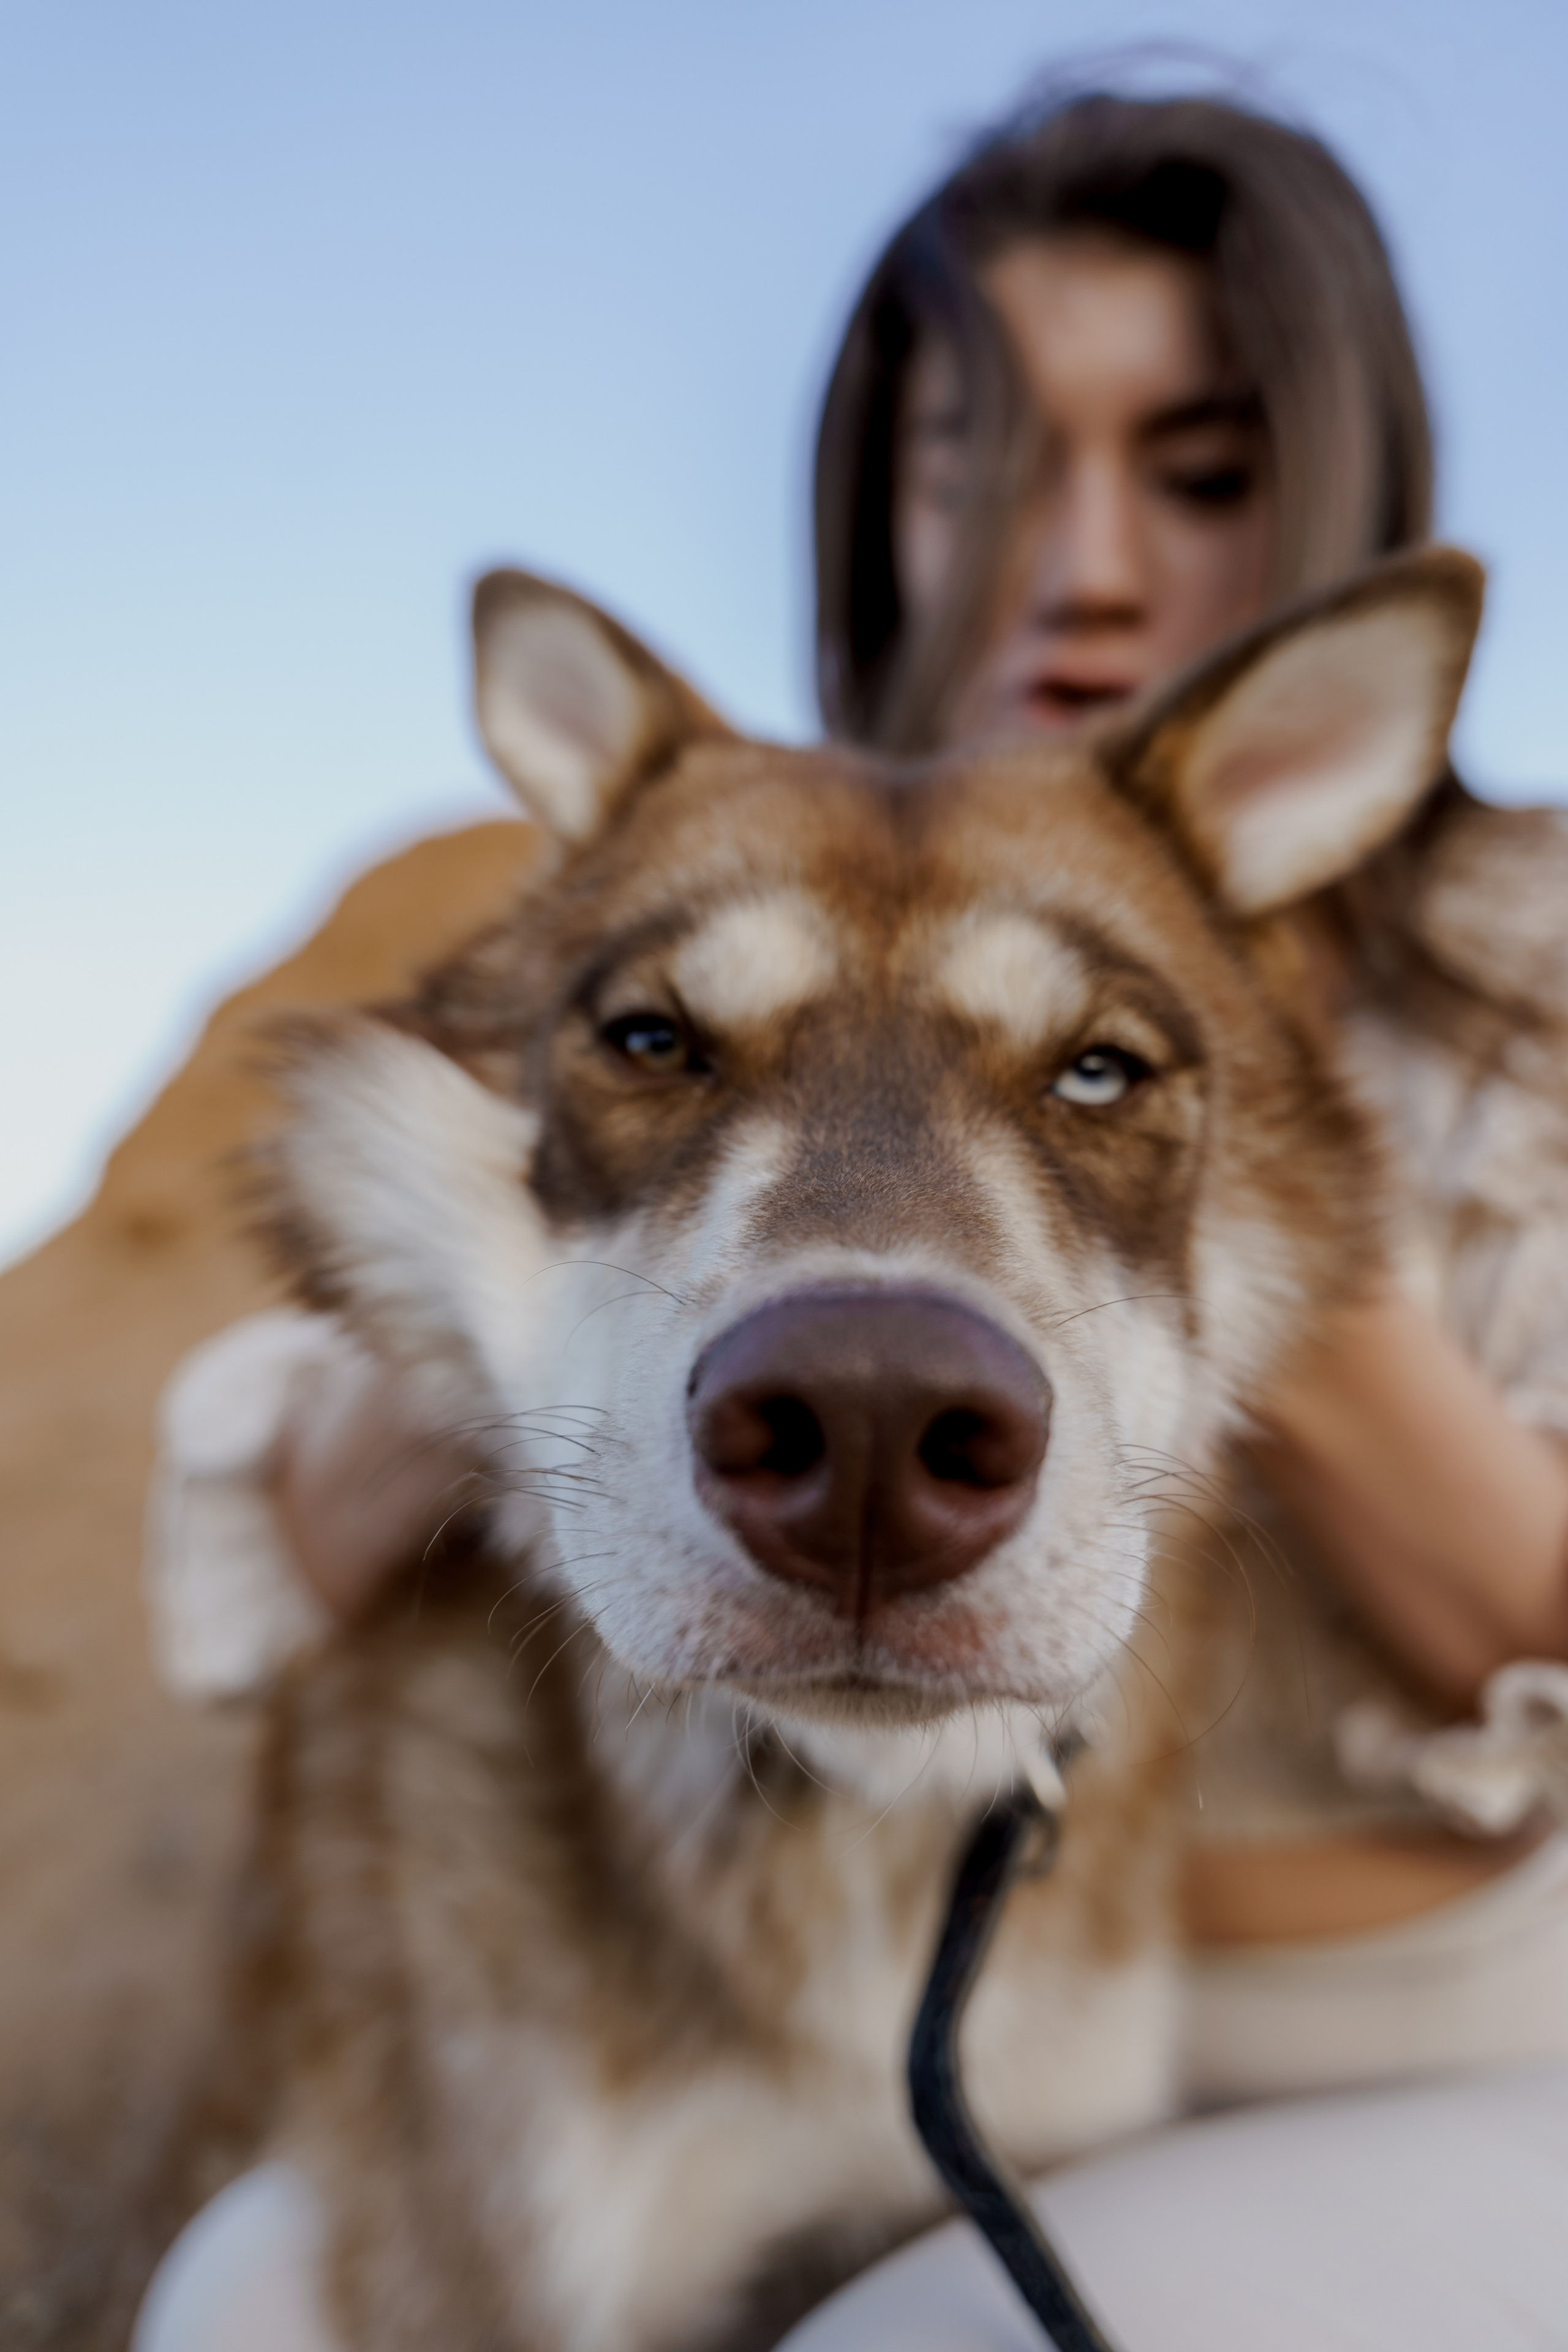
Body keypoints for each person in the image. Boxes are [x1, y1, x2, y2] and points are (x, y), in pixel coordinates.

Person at [138, 78, 1568, 2352]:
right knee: (244, 2305)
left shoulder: (1528, 946)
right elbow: (295, 1500)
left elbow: (1536, 1606)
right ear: (876, 505)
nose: (1089, 562)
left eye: (1201, 471)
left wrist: (1237, 1092)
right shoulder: (750, 846)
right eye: (985, 461)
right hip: (857, 2007)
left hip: (1423, 2048)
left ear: (1342, 470)